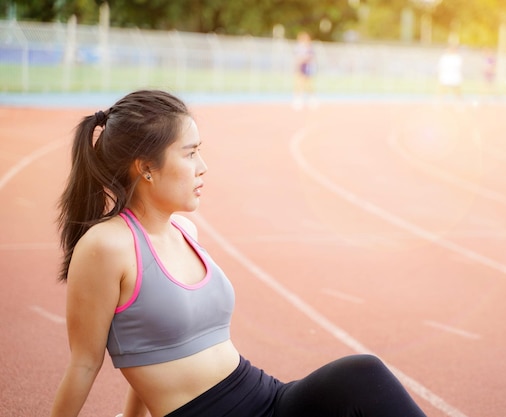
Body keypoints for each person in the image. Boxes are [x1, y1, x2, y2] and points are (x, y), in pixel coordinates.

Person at [50, 89, 428, 417]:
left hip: (267, 400)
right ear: (147, 168)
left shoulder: (184, 231)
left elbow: (151, 345)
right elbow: (84, 364)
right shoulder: (106, 246)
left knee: (362, 376)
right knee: (362, 376)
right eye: (190, 153)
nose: (203, 167)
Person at [292, 31, 317, 110]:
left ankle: (311, 99)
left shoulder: (309, 47)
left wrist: (304, 59)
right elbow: (296, 58)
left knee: (308, 83)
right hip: (300, 67)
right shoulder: (298, 47)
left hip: (307, 67)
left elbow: (311, 57)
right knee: (298, 82)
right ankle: (298, 99)